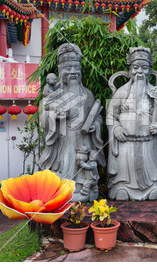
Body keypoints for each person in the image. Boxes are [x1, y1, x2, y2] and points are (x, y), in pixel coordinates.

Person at [39, 43, 105, 202]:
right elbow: (44, 118)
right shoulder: (54, 94)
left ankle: (86, 188)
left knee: (85, 167)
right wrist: (56, 116)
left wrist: (94, 125)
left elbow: (97, 117)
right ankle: (64, 188)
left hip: (85, 141)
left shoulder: (87, 94)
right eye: (68, 69)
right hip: (64, 140)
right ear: (61, 72)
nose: (73, 72)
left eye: (76, 69)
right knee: (66, 162)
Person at [106, 46, 157, 201]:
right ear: (130, 70)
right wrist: (116, 128)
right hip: (126, 145)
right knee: (122, 184)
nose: (140, 72)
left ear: (150, 71)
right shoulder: (121, 92)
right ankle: (122, 186)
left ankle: (154, 187)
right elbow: (110, 116)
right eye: (135, 68)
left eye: (144, 68)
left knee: (155, 186)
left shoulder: (155, 92)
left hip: (148, 144)